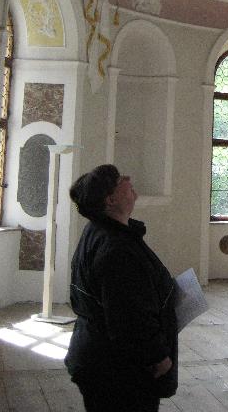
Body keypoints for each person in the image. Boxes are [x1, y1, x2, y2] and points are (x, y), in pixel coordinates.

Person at [65, 164, 178, 412]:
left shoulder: (102, 231)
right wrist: (157, 356)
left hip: (100, 357)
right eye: (119, 179)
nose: (128, 178)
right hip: (117, 370)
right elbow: (128, 315)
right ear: (111, 199)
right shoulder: (117, 249)